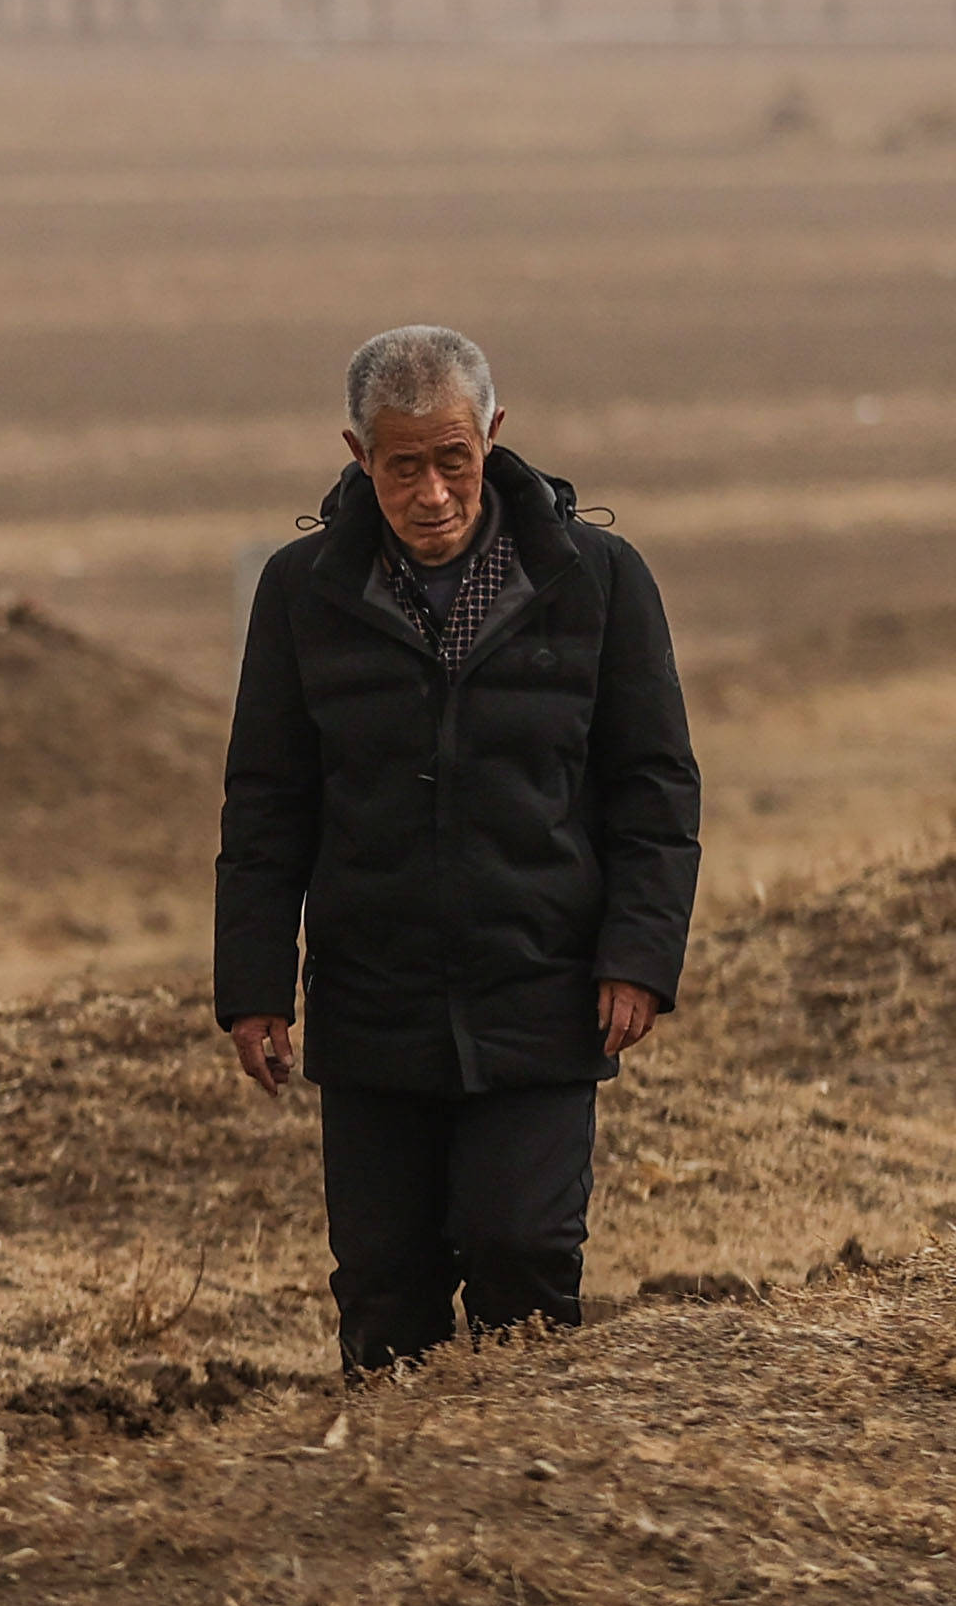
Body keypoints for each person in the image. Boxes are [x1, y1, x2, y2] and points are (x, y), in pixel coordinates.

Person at [214, 326, 701, 1376]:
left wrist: (638, 954)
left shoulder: (599, 580)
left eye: (453, 460)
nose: (431, 492)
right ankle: (397, 1502)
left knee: (521, 1250)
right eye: (401, 466)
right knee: (385, 1287)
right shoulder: (301, 593)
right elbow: (266, 803)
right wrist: (253, 986)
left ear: (493, 435)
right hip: (371, 997)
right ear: (356, 455)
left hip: (543, 984)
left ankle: (529, 1482)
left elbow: (652, 783)